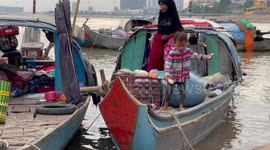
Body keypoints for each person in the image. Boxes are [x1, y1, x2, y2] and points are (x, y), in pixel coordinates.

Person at [163, 32, 214, 111]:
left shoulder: (188, 51)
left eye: (183, 45)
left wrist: (207, 57)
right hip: (172, 76)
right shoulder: (172, 53)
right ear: (174, 44)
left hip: (183, 76)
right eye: (178, 46)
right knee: (168, 91)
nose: (181, 48)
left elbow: (197, 56)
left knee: (182, 92)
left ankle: (181, 106)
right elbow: (168, 63)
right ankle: (165, 105)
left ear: (186, 43)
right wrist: (167, 74)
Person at [147, 0, 184, 72]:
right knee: (155, 59)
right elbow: (160, 28)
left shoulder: (173, 15)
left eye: (163, 4)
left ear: (169, 5)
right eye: (160, 5)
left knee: (169, 62)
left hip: (170, 41)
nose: (161, 7)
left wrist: (167, 36)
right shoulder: (161, 13)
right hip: (161, 40)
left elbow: (178, 30)